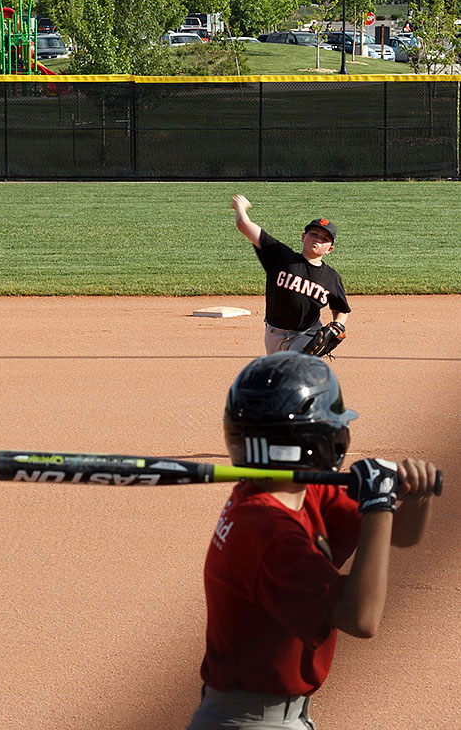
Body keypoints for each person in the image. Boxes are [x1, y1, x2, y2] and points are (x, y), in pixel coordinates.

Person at [187, 351, 438, 730]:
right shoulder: (268, 529)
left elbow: (398, 534)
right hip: (252, 721)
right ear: (319, 440)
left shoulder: (294, 492)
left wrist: (411, 497)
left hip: (266, 714)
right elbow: (361, 618)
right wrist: (376, 501)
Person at [231, 194, 350, 355]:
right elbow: (243, 225)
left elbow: (340, 308)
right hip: (273, 333)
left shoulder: (331, 277)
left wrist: (338, 325)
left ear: (329, 249)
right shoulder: (281, 256)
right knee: (279, 375)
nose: (318, 240)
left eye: (324, 239)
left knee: (294, 366)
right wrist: (240, 206)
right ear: (303, 237)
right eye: (314, 234)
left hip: (306, 335)